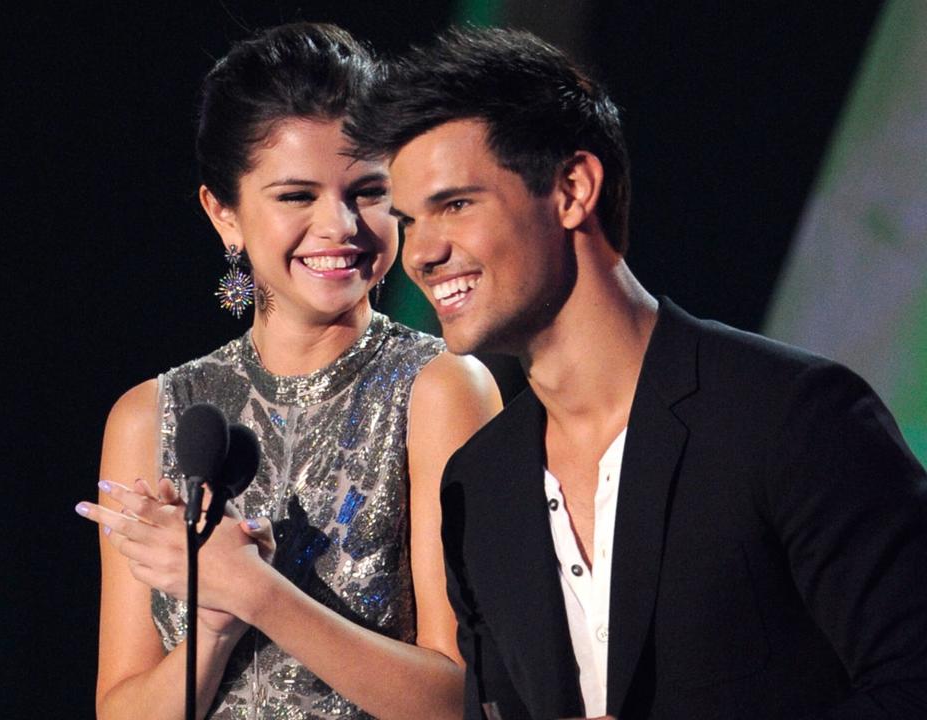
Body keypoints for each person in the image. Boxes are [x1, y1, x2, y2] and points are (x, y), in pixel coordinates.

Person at [344, 26, 927, 720]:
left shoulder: (790, 415)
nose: (422, 254)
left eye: (456, 205)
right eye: (408, 221)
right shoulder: (480, 486)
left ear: (572, 189)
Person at [74, 23, 502, 720]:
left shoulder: (443, 389)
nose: (339, 226)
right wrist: (212, 623)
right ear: (225, 216)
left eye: (366, 191)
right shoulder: (151, 415)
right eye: (297, 196)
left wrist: (256, 592)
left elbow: (463, 698)